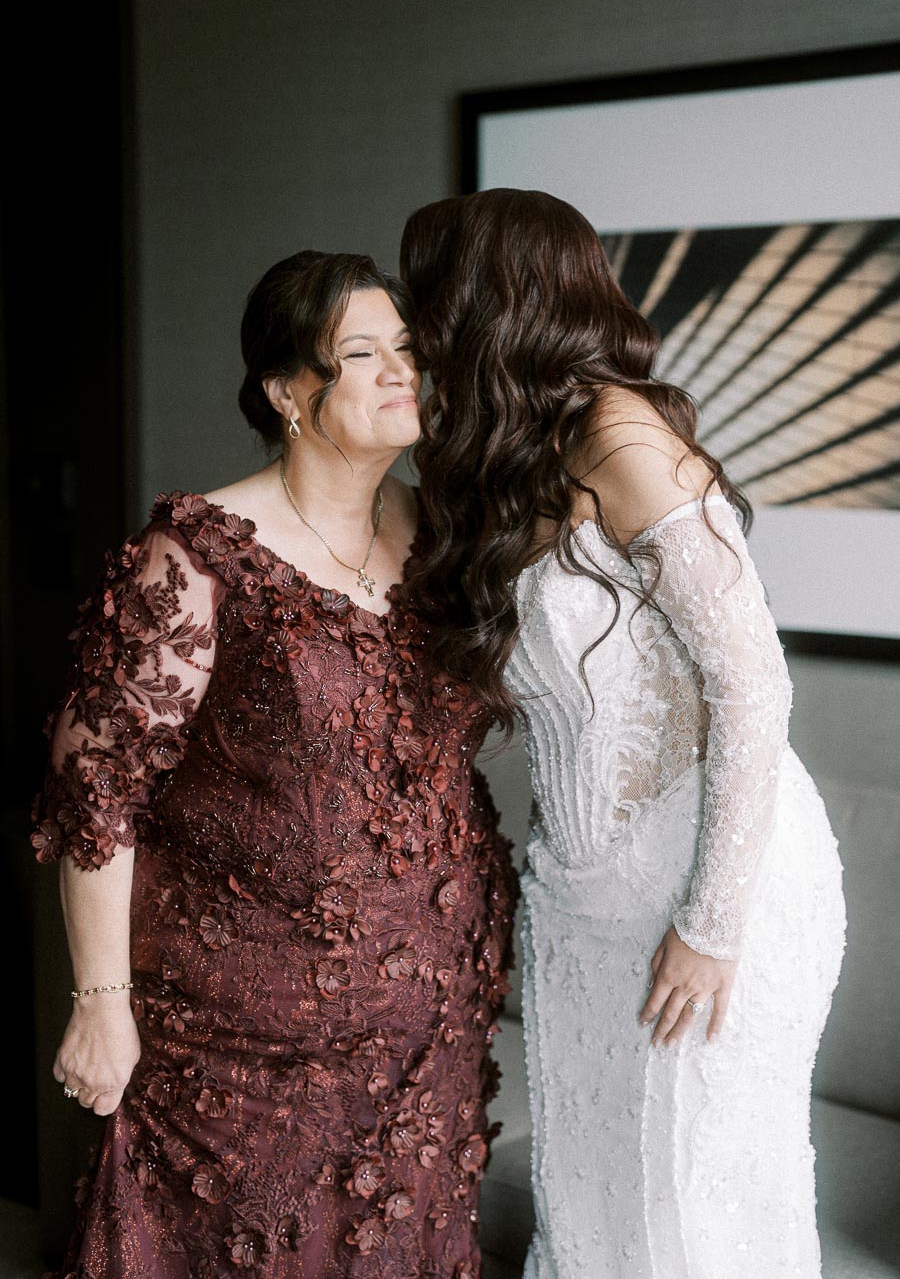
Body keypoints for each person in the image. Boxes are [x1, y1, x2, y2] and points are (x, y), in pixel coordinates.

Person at [32, 249, 517, 1278]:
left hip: (429, 1027)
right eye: (361, 354)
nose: (402, 372)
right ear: (288, 391)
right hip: (241, 1038)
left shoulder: (443, 534)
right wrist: (99, 1004)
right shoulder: (203, 550)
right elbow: (96, 790)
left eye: (408, 349)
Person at [400, 190, 846, 1279]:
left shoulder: (621, 433)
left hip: (710, 878)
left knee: (692, 1209)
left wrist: (711, 922)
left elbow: (754, 688)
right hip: (583, 895)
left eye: (428, 291)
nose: (415, 319)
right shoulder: (499, 459)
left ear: (482, 298)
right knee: (598, 1209)